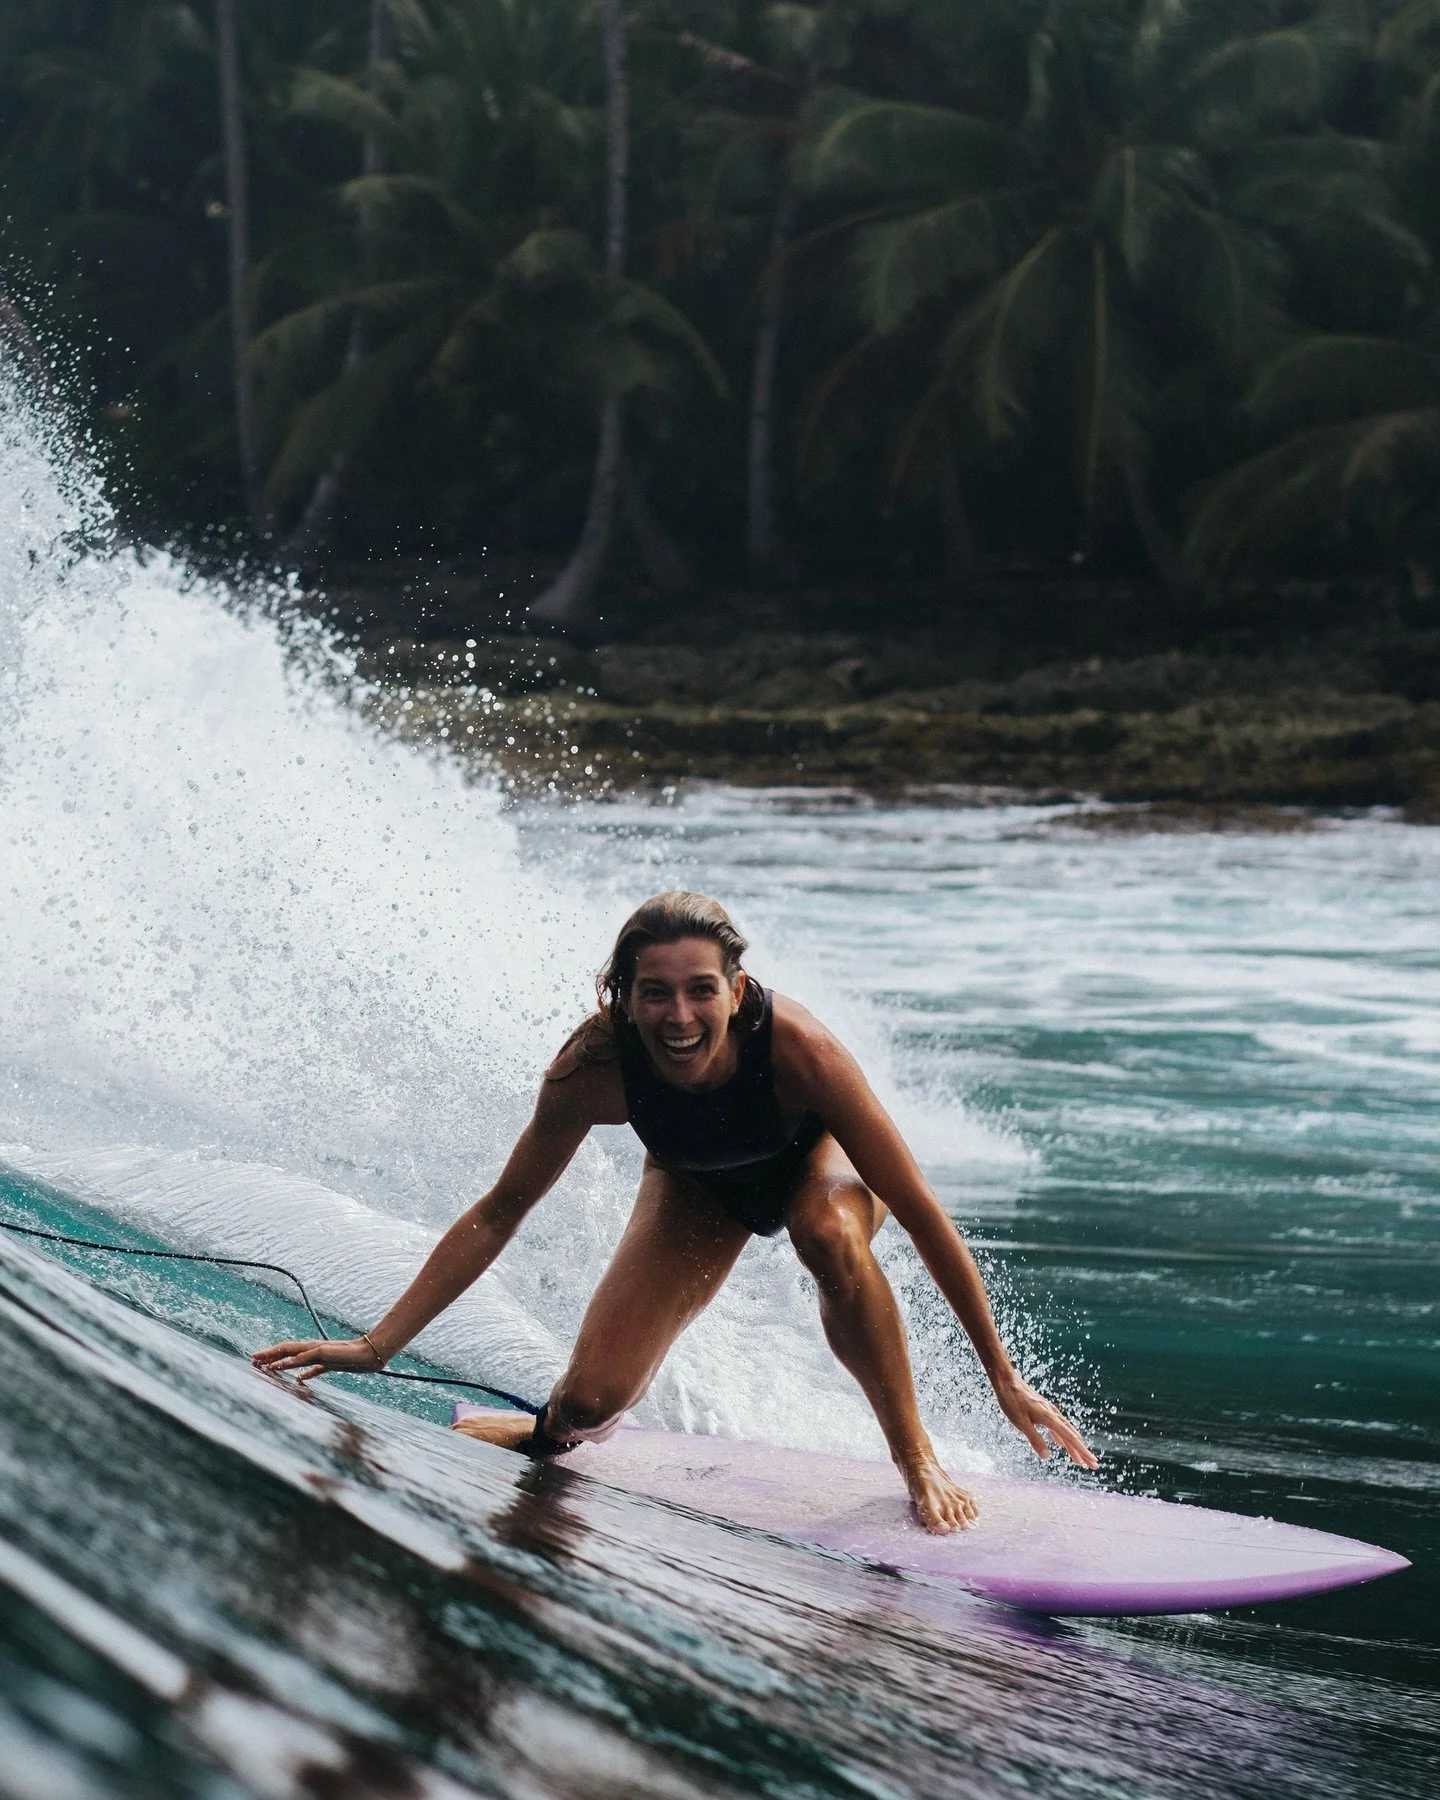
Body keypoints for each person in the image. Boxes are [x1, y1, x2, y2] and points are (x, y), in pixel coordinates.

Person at [254, 891, 1096, 1532]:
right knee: (589, 1403)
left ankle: (915, 1458)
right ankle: (544, 1430)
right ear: (621, 995)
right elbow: (501, 1210)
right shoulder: (592, 1071)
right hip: (698, 1185)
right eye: (654, 993)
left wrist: (1000, 1374)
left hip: (818, 1173)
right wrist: (377, 1345)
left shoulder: (803, 1055)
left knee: (829, 1235)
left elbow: (918, 1210)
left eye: (701, 990)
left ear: (738, 989)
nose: (679, 1016)